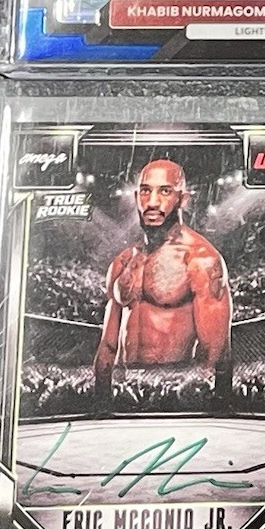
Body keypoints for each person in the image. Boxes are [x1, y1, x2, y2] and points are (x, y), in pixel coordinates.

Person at [93, 159, 231, 401]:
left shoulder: (200, 260)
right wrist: (101, 403)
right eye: (145, 191)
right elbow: (108, 345)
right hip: (124, 396)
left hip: (176, 396)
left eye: (165, 191)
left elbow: (215, 351)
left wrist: (206, 408)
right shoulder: (122, 262)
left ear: (182, 199)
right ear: (136, 197)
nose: (152, 202)